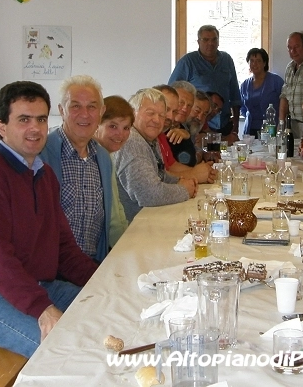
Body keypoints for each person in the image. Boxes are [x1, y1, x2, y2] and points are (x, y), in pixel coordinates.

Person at [0, 81, 97, 358]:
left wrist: (102, 280)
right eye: (23, 120)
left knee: (105, 308)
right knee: (59, 351)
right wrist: (44, 309)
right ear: (1, 127)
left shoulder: (44, 176)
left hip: (37, 285)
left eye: (41, 119)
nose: (35, 128)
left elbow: (64, 249)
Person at [41, 75, 112, 263]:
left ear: (102, 111)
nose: (85, 114)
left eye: (92, 107)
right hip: (53, 268)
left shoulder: (103, 158)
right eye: (75, 106)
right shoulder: (42, 154)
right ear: (61, 110)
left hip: (91, 265)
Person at [114, 88, 198, 222]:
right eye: (150, 113)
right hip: (134, 227)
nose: (157, 120)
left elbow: (160, 175)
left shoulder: (150, 138)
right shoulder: (132, 141)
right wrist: (184, 190)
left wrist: (179, 181)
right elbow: (148, 194)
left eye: (161, 115)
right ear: (133, 113)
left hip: (150, 218)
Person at [169, 25, 241, 142]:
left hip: (224, 122)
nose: (210, 43)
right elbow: (172, 91)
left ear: (218, 41)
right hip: (198, 122)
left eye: (214, 39)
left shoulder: (227, 60)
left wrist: (236, 122)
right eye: (206, 40)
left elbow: (235, 92)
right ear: (198, 42)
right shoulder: (187, 62)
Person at [94, 95, 134, 248]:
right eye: (113, 126)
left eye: (126, 128)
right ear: (97, 124)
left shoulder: (107, 155)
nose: (120, 134)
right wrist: (124, 248)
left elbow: (117, 207)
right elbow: (112, 218)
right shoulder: (96, 157)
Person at [155, 85, 216, 183]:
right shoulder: (141, 138)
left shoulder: (185, 129)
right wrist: (195, 174)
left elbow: (172, 165)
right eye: (181, 103)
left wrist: (203, 172)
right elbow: (158, 178)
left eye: (189, 106)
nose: (184, 109)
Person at [240, 48, 284, 137]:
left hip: (272, 128)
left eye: (258, 61)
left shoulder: (276, 81)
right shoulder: (244, 84)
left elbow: (284, 103)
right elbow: (242, 108)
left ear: (264, 63)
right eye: (251, 61)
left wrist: (281, 125)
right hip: (250, 129)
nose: (254, 64)